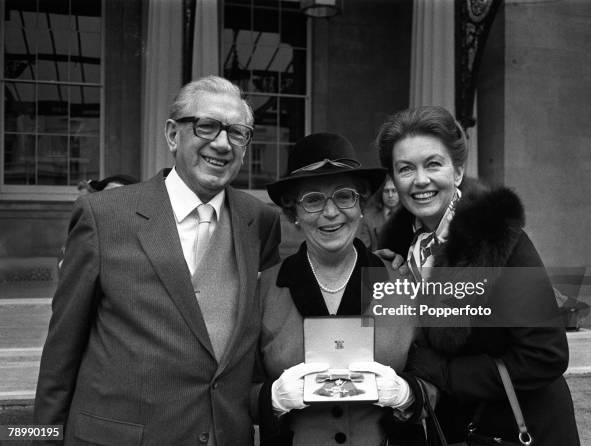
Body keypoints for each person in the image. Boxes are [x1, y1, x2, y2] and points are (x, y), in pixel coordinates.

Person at [34, 75, 281, 445]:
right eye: (207, 126)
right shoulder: (103, 216)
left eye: (237, 132)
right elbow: (61, 352)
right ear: (172, 135)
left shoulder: (258, 219)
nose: (222, 143)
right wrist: (41, 438)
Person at [376, 106, 580, 445]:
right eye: (405, 168)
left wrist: (443, 372)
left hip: (522, 429)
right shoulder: (400, 249)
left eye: (433, 164)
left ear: (457, 172)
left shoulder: (498, 237)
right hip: (456, 430)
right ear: (394, 180)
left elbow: (546, 355)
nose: (420, 179)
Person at [254, 132, 430, 446]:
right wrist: (272, 399)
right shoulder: (265, 289)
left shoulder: (402, 281)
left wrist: (408, 394)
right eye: (313, 199)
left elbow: (434, 376)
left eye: (344, 196)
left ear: (361, 204)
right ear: (294, 212)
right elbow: (237, 388)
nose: (331, 212)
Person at [358, 174, 401, 250]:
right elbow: (364, 250)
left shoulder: (410, 216)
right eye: (386, 191)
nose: (390, 195)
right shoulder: (368, 218)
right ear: (381, 193)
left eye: (394, 191)